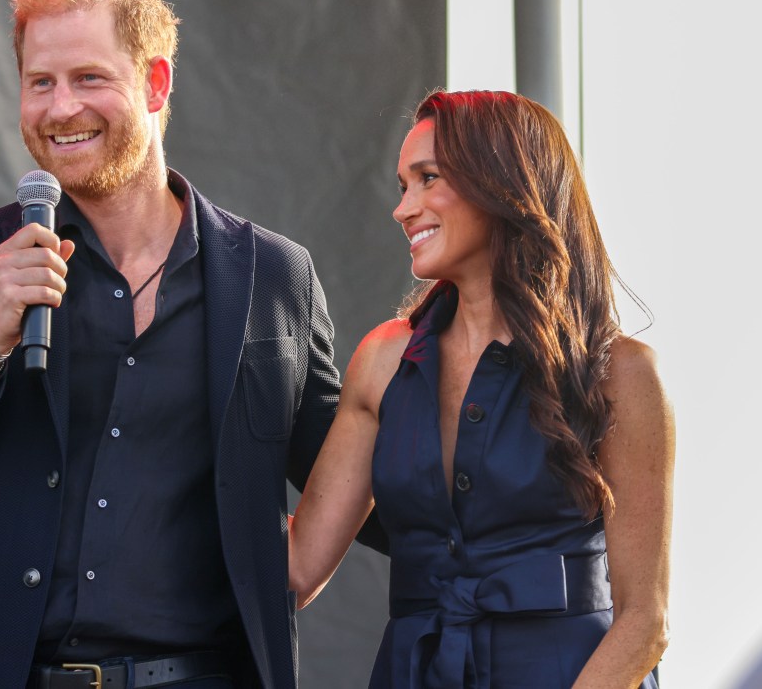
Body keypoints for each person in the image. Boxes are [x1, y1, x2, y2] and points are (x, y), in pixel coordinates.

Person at [0, 0, 376, 689]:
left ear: (155, 84)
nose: (60, 109)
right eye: (39, 83)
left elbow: (358, 475)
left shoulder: (273, 276)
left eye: (88, 78)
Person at [288, 90, 674, 688]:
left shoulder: (620, 374)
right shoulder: (383, 360)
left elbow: (646, 622)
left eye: (428, 178)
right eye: (401, 186)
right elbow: (295, 568)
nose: (403, 209)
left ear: (504, 184)